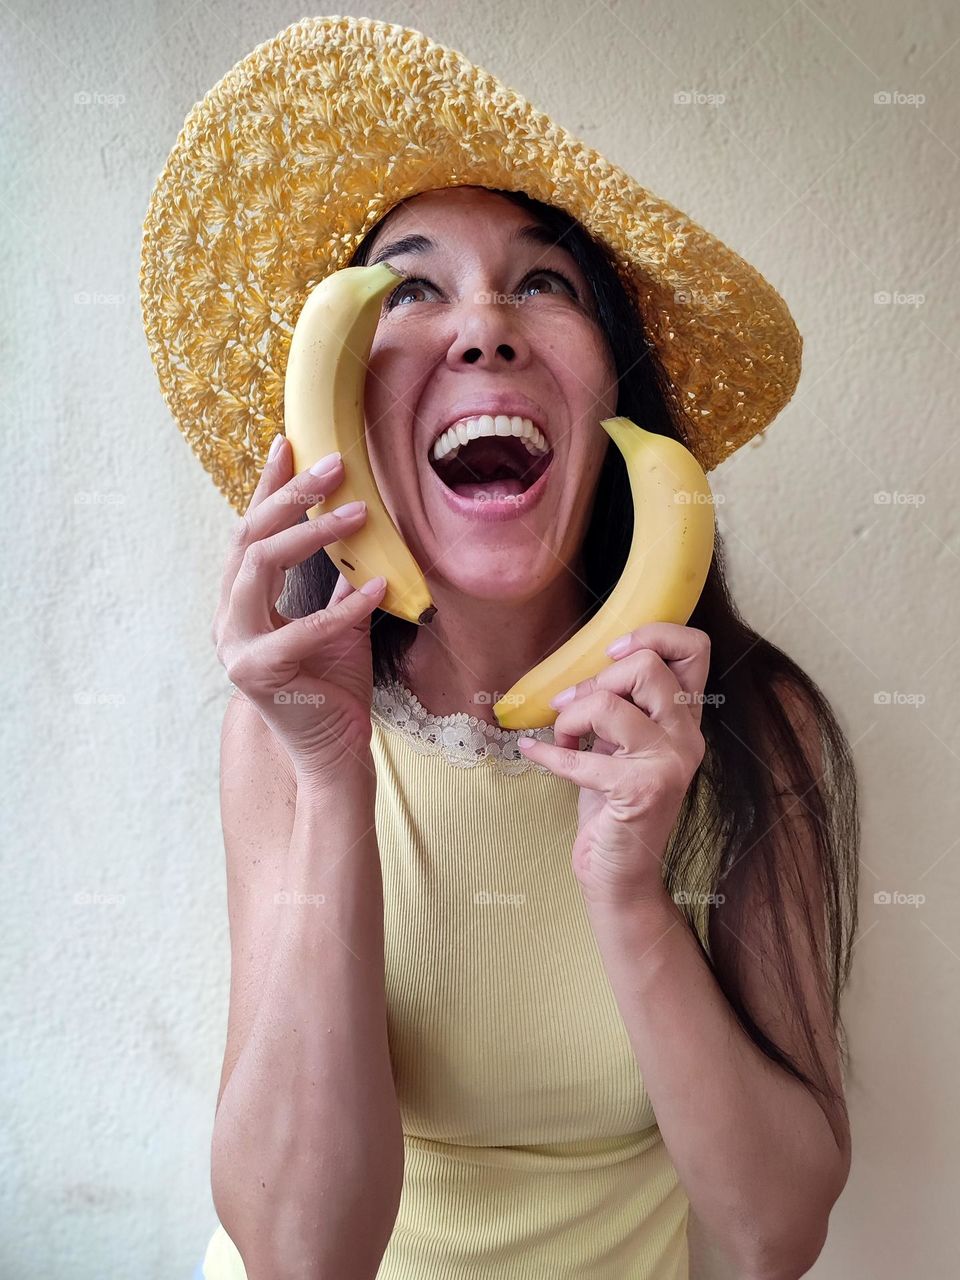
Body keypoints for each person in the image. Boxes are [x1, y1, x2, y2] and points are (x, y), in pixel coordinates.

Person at [140, 19, 859, 1280]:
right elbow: (302, 1253)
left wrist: (630, 888)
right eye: (410, 287)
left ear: (616, 401)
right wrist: (330, 780)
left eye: (545, 283)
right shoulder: (287, 729)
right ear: (348, 407)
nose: (483, 329)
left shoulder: (754, 725)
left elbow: (771, 1238)